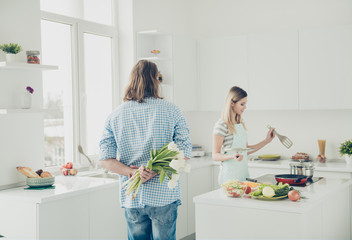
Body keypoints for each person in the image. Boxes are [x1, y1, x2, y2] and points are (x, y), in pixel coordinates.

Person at [99, 59, 192, 240]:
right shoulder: (172, 110)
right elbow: (184, 152)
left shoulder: (115, 115)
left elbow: (105, 159)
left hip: (132, 197)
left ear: (131, 80)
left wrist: (131, 173)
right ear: (156, 80)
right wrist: (154, 171)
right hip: (163, 195)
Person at [212, 86, 275, 184]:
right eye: (242, 104)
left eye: (245, 104)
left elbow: (245, 150)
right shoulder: (221, 125)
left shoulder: (240, 123)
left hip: (243, 175)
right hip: (229, 178)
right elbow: (215, 155)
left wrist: (266, 141)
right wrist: (232, 156)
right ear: (232, 103)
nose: (245, 107)